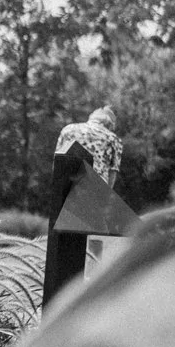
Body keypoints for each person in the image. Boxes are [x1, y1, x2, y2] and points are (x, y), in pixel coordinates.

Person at [43, 108, 125, 309]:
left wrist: (57, 192)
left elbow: (57, 161)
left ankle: (60, 284)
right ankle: (93, 277)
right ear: (110, 125)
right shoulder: (113, 139)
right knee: (94, 239)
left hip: (65, 188)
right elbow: (112, 174)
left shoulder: (68, 129)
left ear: (92, 119)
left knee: (63, 242)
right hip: (94, 191)